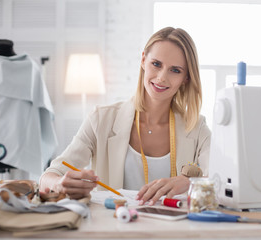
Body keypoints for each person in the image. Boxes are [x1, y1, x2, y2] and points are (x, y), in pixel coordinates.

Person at [39, 27, 211, 205]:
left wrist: (190, 182)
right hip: (115, 227)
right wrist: (59, 184)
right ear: (143, 60)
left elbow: (222, 183)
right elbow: (48, 177)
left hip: (172, 230)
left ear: (186, 78)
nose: (161, 78)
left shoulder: (198, 129)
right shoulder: (101, 119)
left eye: (175, 70)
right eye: (156, 64)